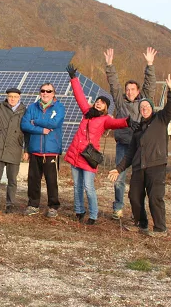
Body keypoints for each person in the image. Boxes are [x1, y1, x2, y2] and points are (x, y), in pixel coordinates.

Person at [108, 73, 171, 237]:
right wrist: (118, 169)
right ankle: (141, 224)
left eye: (146, 107)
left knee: (155, 197)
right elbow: (130, 153)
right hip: (139, 168)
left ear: (152, 108)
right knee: (134, 196)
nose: (144, 109)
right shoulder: (137, 129)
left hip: (156, 166)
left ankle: (161, 228)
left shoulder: (160, 119)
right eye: (142, 108)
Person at [64, 64, 131, 225]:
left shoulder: (105, 119)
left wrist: (129, 121)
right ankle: (79, 211)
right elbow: (79, 95)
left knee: (88, 186)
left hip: (88, 157)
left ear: (106, 108)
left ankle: (93, 214)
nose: (99, 103)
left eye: (103, 102)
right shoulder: (87, 112)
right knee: (77, 186)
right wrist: (74, 78)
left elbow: (118, 123)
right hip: (75, 154)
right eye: (98, 101)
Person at [104, 47, 157, 219]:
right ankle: (118, 207)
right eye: (127, 89)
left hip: (140, 147)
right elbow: (114, 85)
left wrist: (150, 64)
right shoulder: (120, 103)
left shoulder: (144, 102)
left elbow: (150, 85)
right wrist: (110, 65)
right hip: (123, 146)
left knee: (139, 180)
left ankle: (138, 210)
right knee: (118, 178)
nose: (129, 92)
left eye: (133, 89)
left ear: (138, 91)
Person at [0, 73, 28, 214]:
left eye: (15, 97)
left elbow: (28, 132)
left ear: (19, 98)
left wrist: (26, 149)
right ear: (7, 97)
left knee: (12, 180)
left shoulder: (25, 112)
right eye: (10, 96)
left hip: (14, 148)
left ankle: (10, 204)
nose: (12, 99)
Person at [21, 83, 65, 218]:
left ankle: (53, 206)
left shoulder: (59, 107)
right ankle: (33, 205)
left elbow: (54, 123)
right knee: (33, 179)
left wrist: (35, 121)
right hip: (35, 150)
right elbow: (24, 124)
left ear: (53, 93)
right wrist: (40, 129)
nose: (45, 93)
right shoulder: (32, 107)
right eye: (43, 91)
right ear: (40, 92)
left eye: (48, 91)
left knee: (52, 181)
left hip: (51, 150)